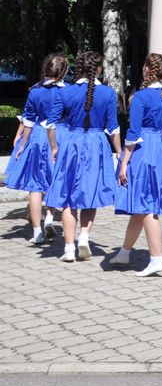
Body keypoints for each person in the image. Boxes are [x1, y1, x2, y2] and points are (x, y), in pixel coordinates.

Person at [112, 54, 162, 277]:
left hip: (145, 151)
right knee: (140, 207)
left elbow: (133, 133)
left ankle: (156, 258)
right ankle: (125, 252)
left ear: (146, 69)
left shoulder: (141, 97)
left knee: (146, 205)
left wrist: (124, 163)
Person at [45, 50, 122, 262]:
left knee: (69, 197)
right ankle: (85, 237)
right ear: (98, 69)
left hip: (72, 144)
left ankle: (68, 248)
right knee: (90, 193)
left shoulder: (66, 92)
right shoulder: (108, 93)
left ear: (77, 68)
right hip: (97, 144)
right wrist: (119, 152)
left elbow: (50, 124)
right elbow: (113, 128)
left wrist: (53, 147)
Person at [8, 53, 67, 245]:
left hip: (37, 137)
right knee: (55, 180)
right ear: (64, 71)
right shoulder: (68, 91)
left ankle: (36, 232)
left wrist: (22, 144)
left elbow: (28, 120)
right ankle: (50, 217)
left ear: (45, 69)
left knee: (35, 186)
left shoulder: (35, 91)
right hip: (60, 136)